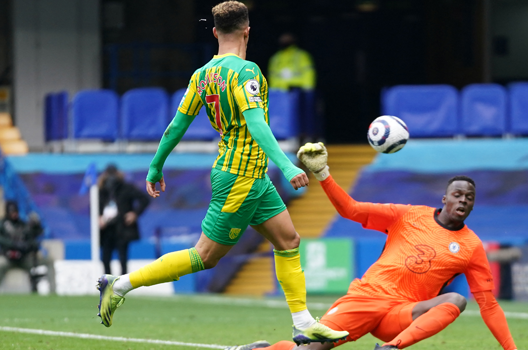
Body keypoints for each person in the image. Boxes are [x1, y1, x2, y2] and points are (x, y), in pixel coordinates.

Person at [96, 1, 349, 345]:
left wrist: (156, 166)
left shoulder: (201, 76)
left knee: (288, 240)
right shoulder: (247, 73)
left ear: (215, 32)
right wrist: (288, 165)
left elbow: (175, 127)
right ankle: (120, 284)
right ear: (248, 31)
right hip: (239, 178)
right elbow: (256, 123)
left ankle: (302, 323)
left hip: (252, 177)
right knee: (205, 256)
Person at [226, 143, 518, 350]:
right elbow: (351, 210)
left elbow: (489, 306)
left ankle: (391, 348)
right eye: (457, 194)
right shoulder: (409, 215)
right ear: (445, 199)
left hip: (401, 315)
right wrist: (323, 174)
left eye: (469, 198)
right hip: (366, 299)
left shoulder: (471, 247)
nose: (463, 201)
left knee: (455, 301)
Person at [0, 201, 56, 294]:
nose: (14, 214)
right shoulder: (1, 224)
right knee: (1, 264)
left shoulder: (23, 225)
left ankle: (53, 292)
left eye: (15, 212)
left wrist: (35, 227)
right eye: (12, 212)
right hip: (8, 258)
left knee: (49, 260)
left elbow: (34, 238)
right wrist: (12, 244)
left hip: (24, 259)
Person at [98, 164, 150, 275]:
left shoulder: (126, 188)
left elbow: (144, 199)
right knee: (105, 258)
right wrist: (98, 218)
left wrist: (135, 214)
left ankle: (122, 285)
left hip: (122, 228)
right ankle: (108, 285)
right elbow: (93, 207)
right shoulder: (101, 190)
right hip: (106, 229)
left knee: (123, 258)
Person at [268, 33, 320, 142]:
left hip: (301, 93)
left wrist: (305, 89)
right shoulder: (276, 58)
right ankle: (289, 137)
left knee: (306, 116)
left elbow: (308, 74)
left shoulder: (301, 56)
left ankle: (308, 136)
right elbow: (272, 77)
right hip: (282, 95)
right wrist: (282, 89)